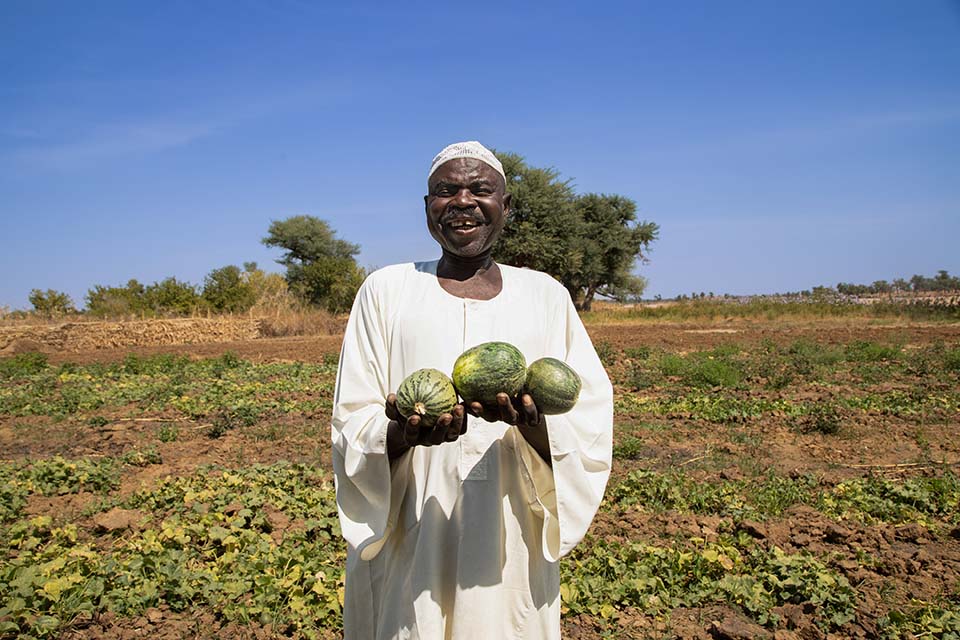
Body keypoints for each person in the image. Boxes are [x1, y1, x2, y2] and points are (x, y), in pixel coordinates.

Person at [331, 141, 613, 639]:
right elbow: (352, 417)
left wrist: (535, 427)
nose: (463, 201)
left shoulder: (545, 295)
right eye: (446, 190)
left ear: (505, 206)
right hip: (409, 531)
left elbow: (586, 418)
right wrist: (404, 434)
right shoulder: (385, 290)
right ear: (427, 208)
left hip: (510, 540)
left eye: (480, 189)